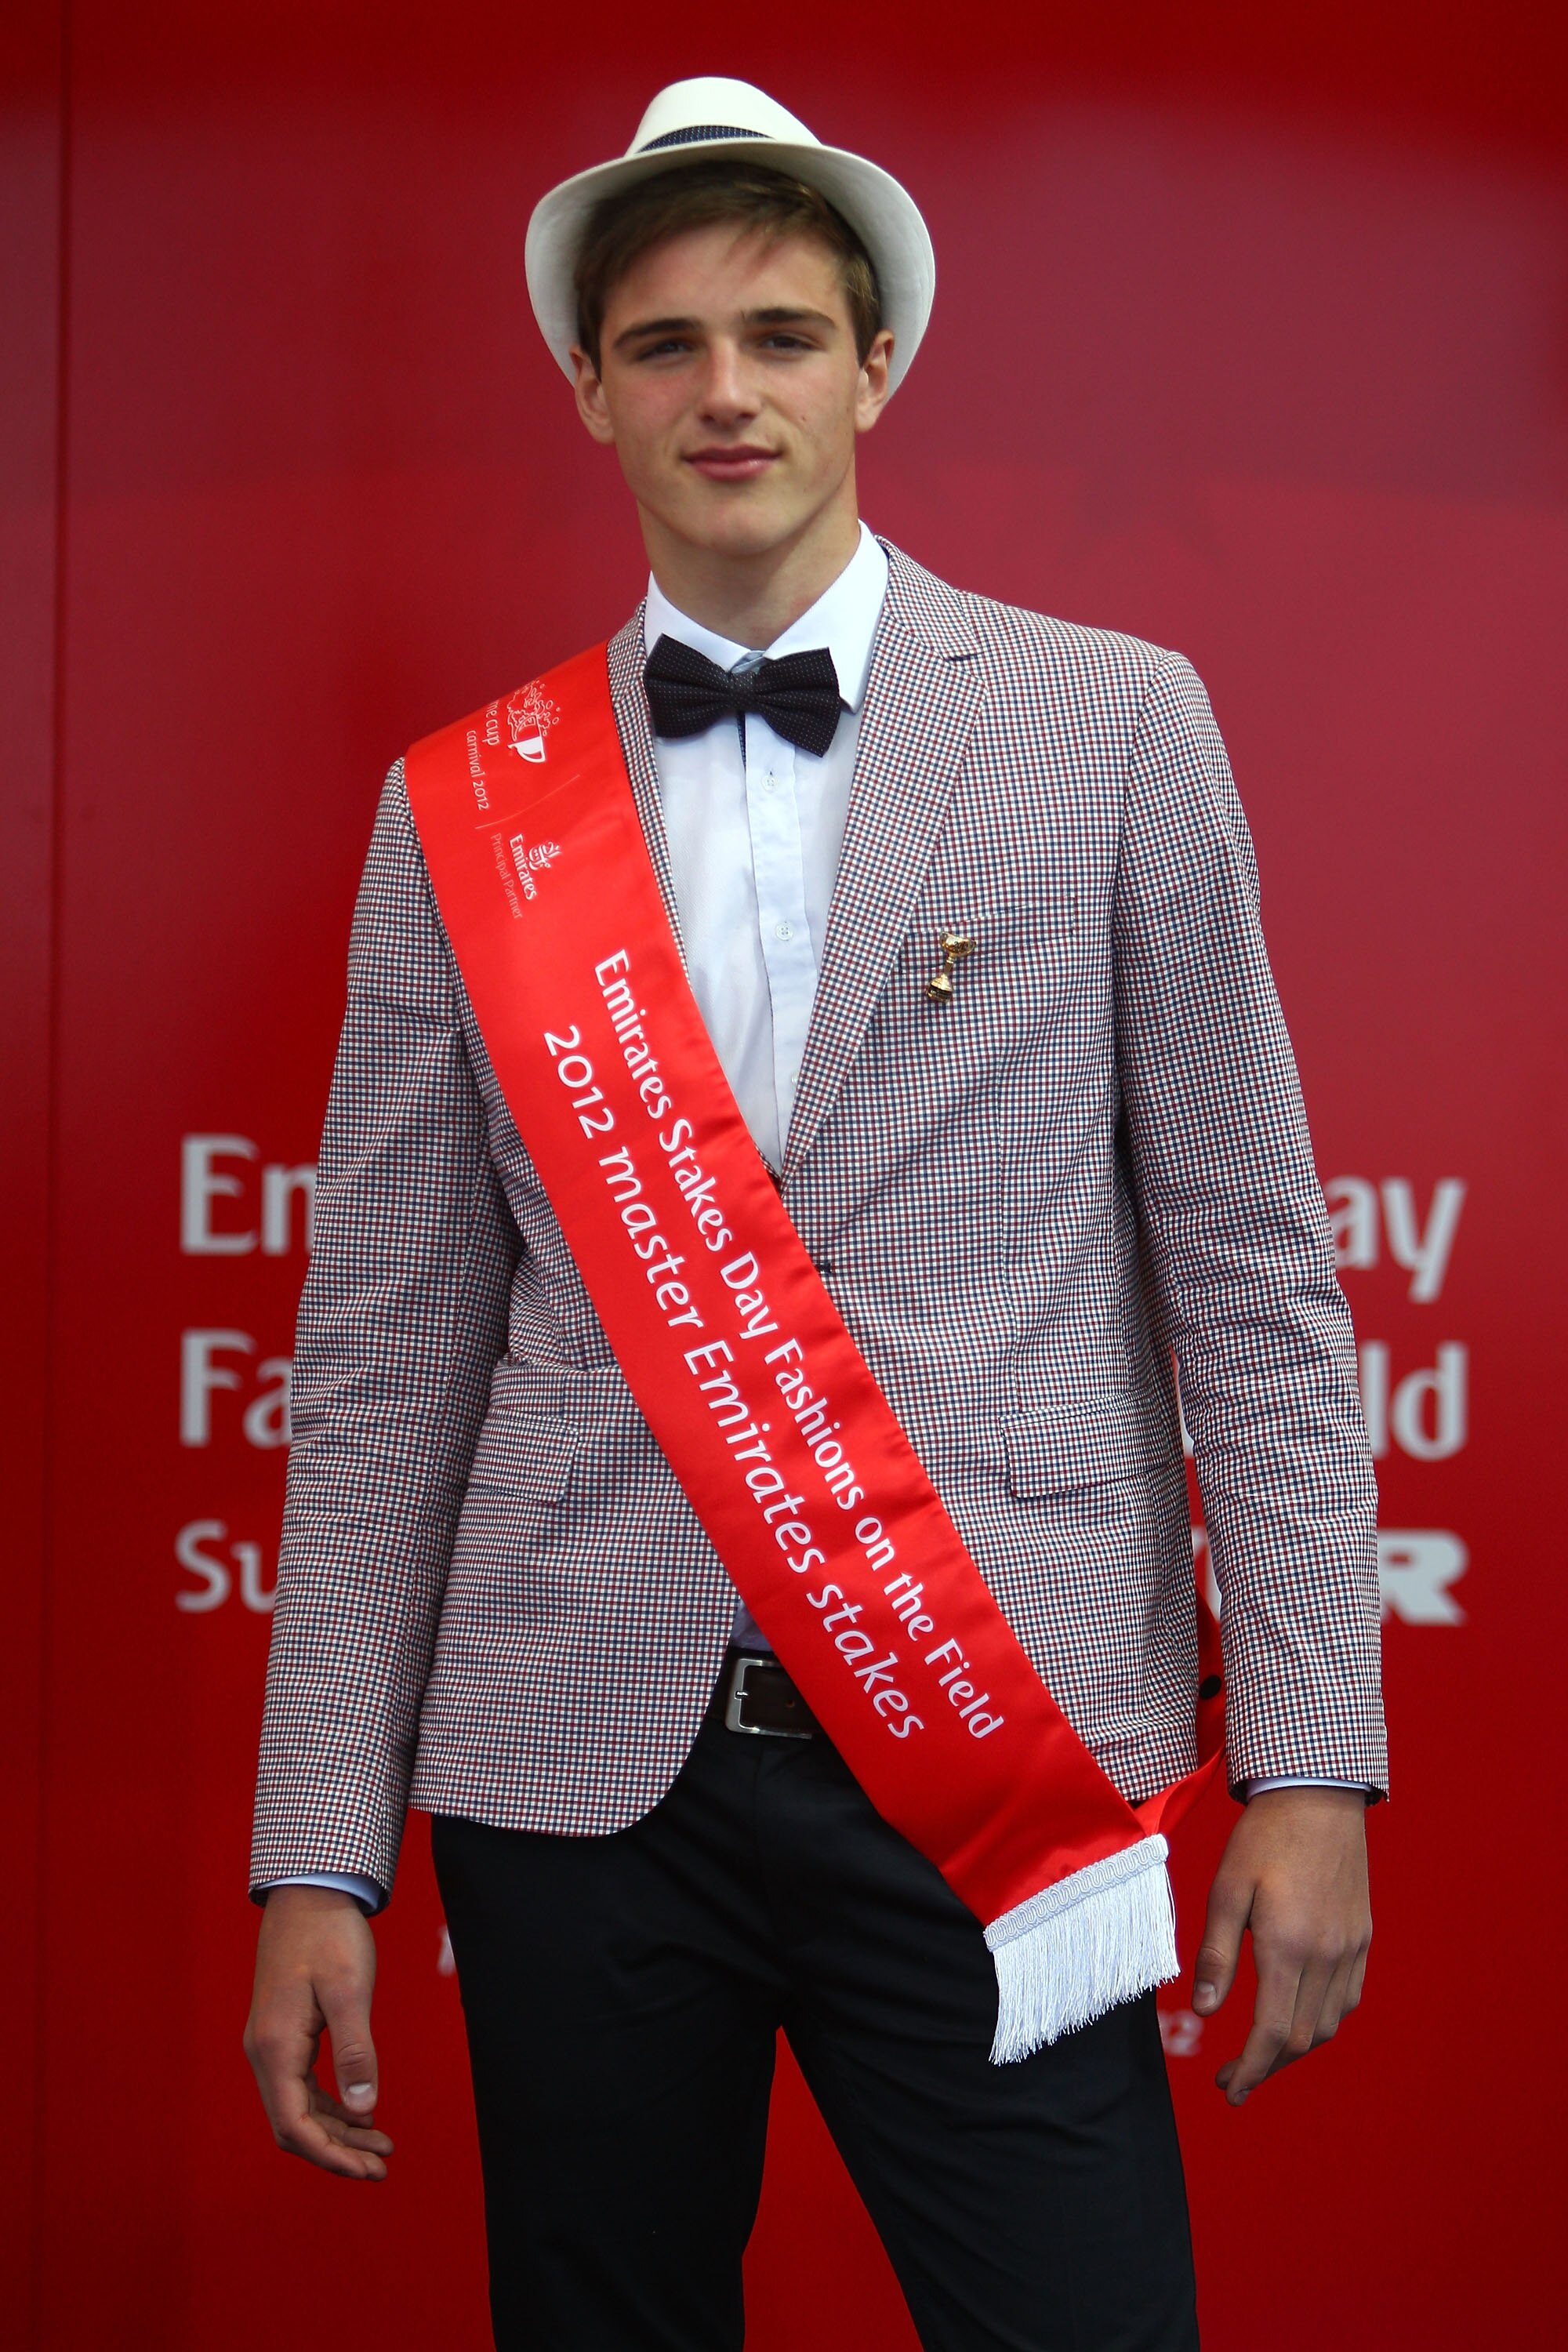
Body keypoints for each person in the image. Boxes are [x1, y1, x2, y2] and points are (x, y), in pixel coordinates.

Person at [245, 77, 1385, 2351]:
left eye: (781, 333)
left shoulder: (1113, 723)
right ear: (587, 387)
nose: (728, 390)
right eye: (665, 344)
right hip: (576, 1775)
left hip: (992, 1738)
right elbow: (383, 1366)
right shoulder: (461, 807)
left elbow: (1258, 1280)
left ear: (879, 368)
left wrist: (1319, 1764)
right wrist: (316, 1853)